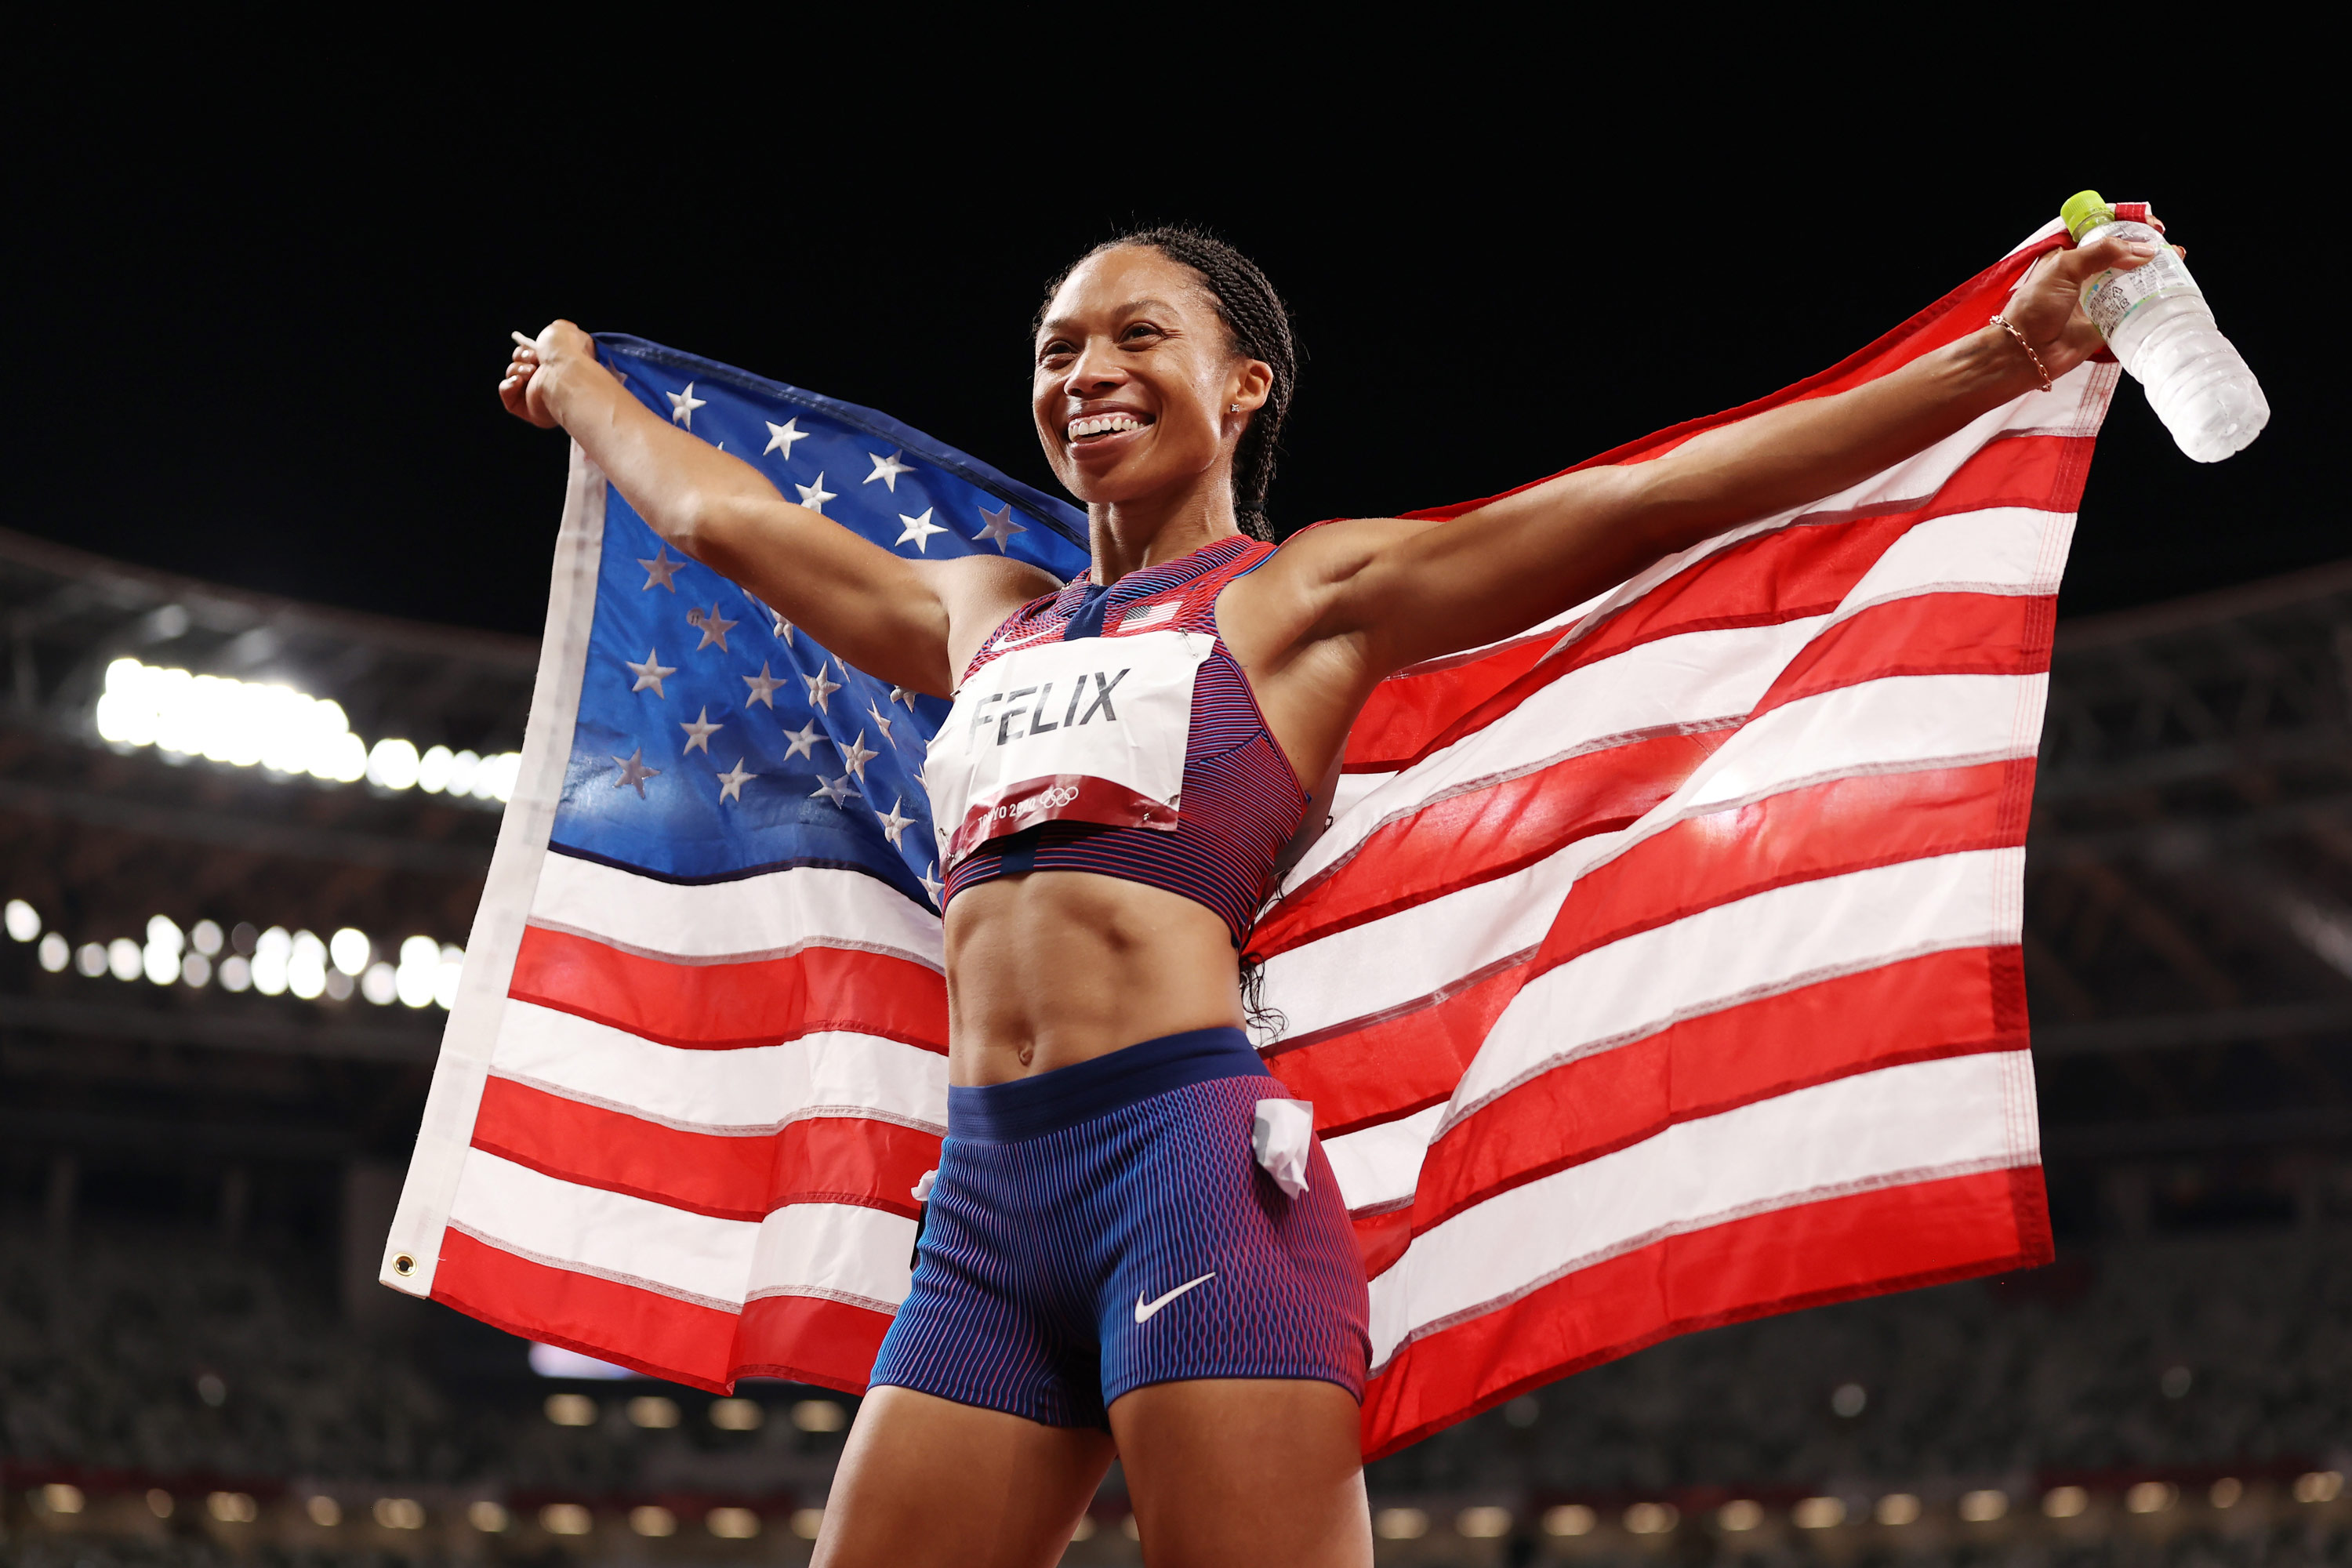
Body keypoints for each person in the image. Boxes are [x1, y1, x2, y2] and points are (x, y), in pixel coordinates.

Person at [499, 222, 2160, 1568]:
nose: (1086, 371)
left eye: (1138, 335)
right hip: (988, 1212)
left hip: (1187, 1177)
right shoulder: (981, 617)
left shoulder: (1306, 601)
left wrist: (2004, 355)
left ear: (1244, 385)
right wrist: (579, 386)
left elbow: (1657, 500)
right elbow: (725, 513)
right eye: (1058, 347)